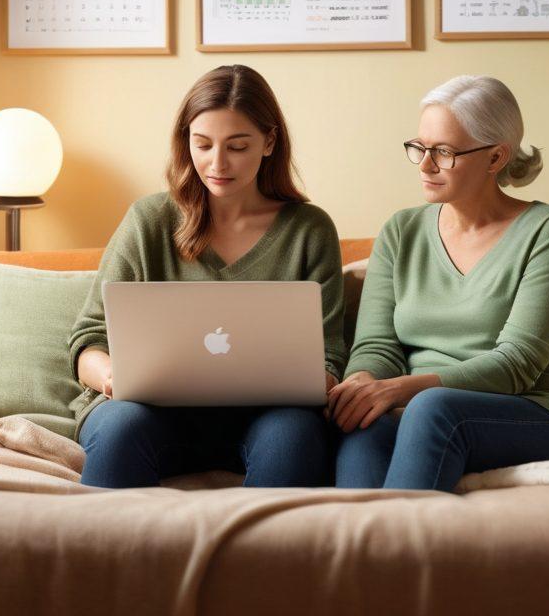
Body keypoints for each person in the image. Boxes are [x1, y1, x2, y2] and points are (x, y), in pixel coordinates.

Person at [68, 65, 346, 488]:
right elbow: (88, 337)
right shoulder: (149, 221)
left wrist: (312, 379)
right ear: (186, 143)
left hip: (267, 418)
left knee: (294, 438)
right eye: (203, 145)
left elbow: (328, 356)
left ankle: (271, 554)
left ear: (269, 142)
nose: (217, 163)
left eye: (237, 146)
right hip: (148, 414)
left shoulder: (309, 230)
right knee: (120, 429)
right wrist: (110, 375)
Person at [329, 75, 549, 492]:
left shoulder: (547, 228)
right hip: (419, 409)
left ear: (495, 158)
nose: (424, 164)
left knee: (433, 409)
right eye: (419, 147)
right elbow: (376, 346)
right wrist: (365, 383)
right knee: (361, 419)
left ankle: (385, 549)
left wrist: (401, 389)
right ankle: (366, 550)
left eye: (443, 152)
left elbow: (518, 362)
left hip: (535, 410)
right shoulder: (401, 231)